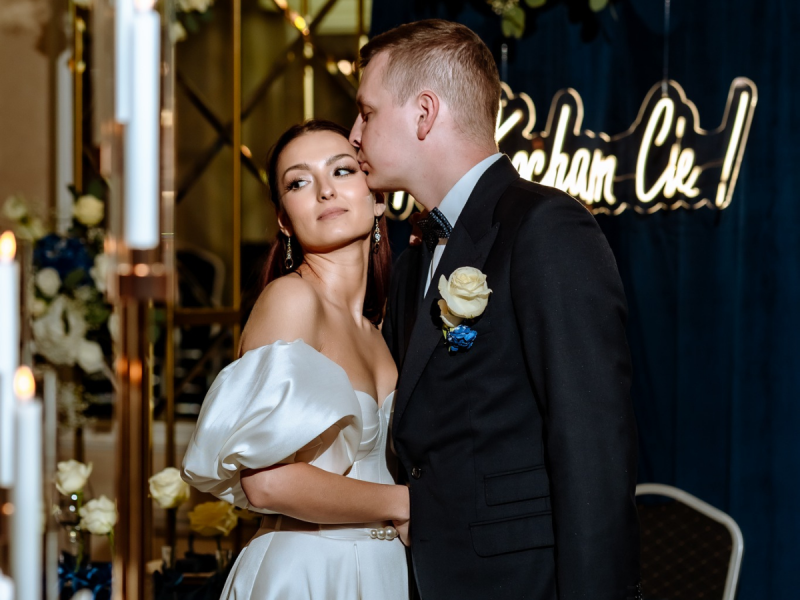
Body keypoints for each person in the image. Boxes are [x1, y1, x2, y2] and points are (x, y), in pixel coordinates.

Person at [349, 19, 642, 600]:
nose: (354, 134)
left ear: (424, 113)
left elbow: (592, 443)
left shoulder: (545, 228)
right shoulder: (412, 259)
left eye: (366, 112)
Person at [181, 120, 410, 599]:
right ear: (284, 220)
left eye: (342, 171)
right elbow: (268, 483)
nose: (326, 191)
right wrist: (405, 504)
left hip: (382, 572)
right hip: (306, 573)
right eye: (299, 182)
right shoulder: (292, 299)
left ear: (378, 197)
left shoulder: (377, 331)